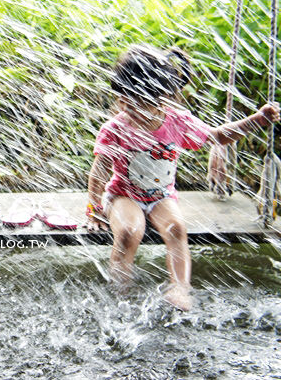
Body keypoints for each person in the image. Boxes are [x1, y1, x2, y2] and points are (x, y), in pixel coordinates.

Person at [86, 44, 280, 311]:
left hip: (161, 195)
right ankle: (122, 294)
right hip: (122, 194)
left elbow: (219, 136)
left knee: (177, 229)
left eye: (139, 104)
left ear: (162, 99)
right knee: (130, 232)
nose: (129, 110)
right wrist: (94, 209)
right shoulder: (116, 128)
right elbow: (99, 170)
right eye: (124, 101)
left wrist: (256, 120)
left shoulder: (178, 122)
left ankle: (180, 287)